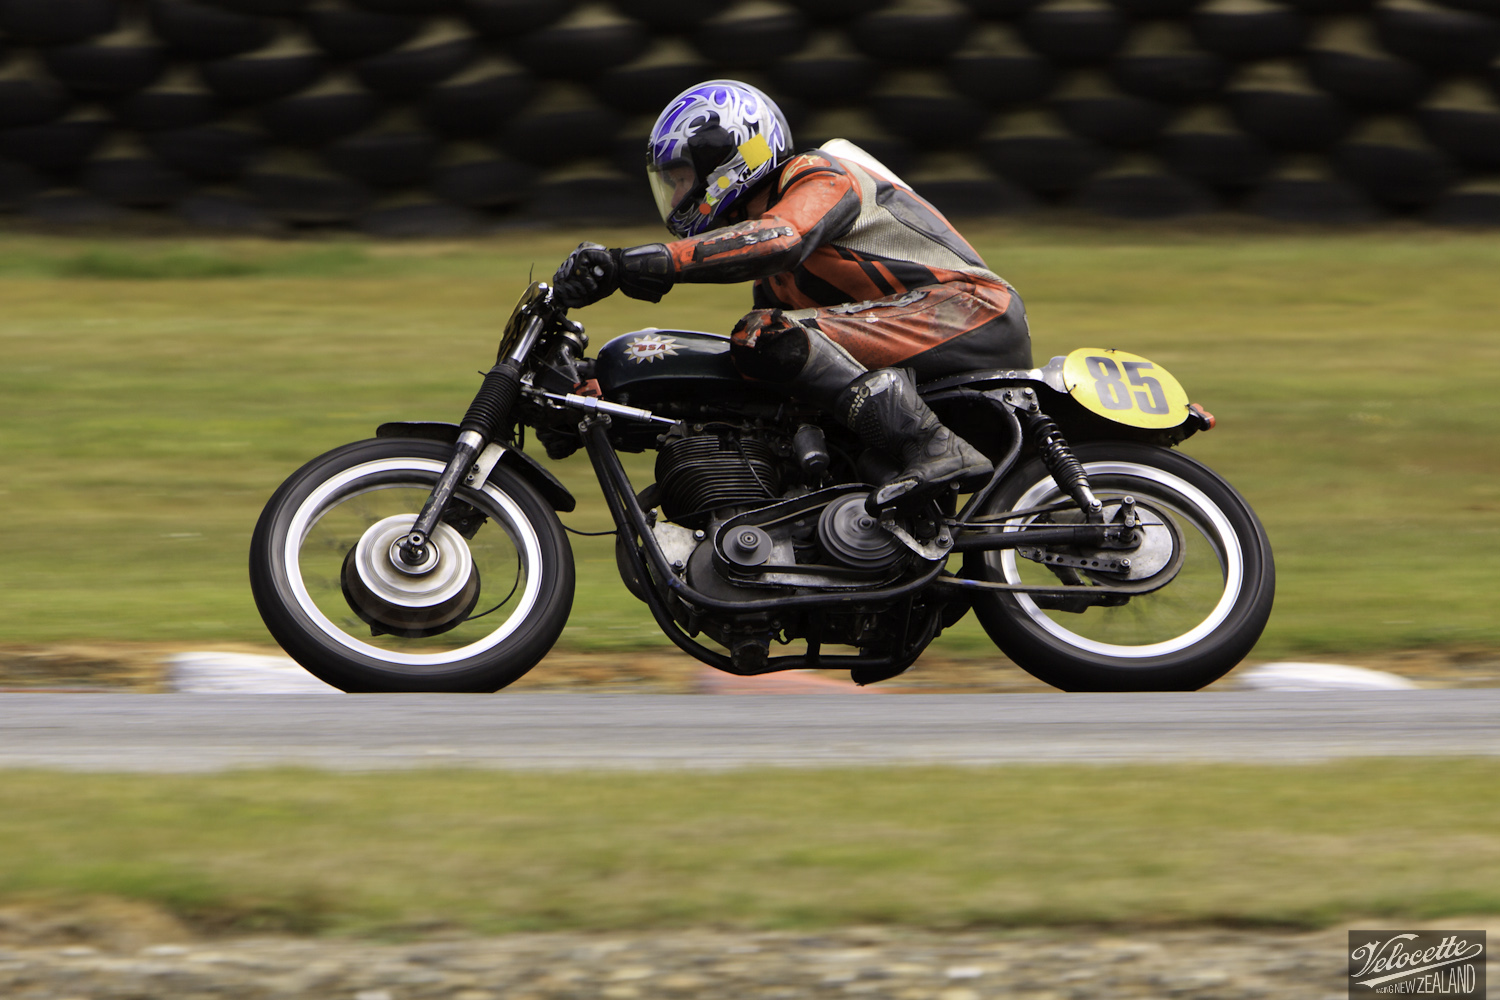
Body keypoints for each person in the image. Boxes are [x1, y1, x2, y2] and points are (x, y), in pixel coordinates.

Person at [551, 79, 1032, 513]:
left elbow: (782, 237)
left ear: (728, 161)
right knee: (770, 362)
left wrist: (636, 263)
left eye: (680, 178)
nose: (676, 195)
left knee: (765, 336)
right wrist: (604, 395)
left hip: (970, 309)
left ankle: (934, 447)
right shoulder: (775, 282)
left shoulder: (818, 173)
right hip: (924, 325)